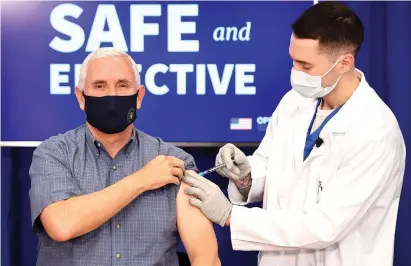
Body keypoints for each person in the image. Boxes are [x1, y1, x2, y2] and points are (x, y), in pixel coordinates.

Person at [182, 2, 406, 266]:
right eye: (293, 61)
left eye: (306, 66)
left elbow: (324, 226)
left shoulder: (375, 131)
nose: (295, 73)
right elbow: (274, 167)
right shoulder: (294, 102)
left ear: (344, 63)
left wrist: (230, 215)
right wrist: (246, 175)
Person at [29, 47, 220, 266]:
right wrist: (142, 180)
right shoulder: (54, 153)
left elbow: (206, 257)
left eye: (122, 85)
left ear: (139, 96)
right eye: (100, 86)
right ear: (81, 97)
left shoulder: (173, 162)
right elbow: (61, 224)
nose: (112, 95)